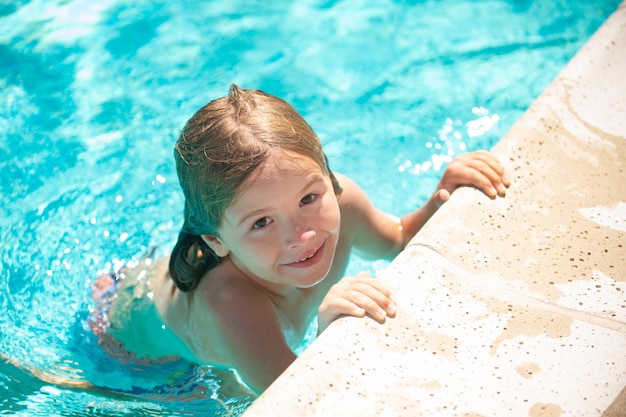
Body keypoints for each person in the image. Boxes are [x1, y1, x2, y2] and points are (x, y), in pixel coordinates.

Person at [91, 84, 510, 394]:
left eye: (309, 197)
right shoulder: (233, 306)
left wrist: (442, 198)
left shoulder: (344, 205)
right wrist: (324, 337)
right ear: (217, 241)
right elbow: (295, 399)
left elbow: (398, 240)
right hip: (137, 349)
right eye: (261, 223)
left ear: (328, 177)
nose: (301, 235)